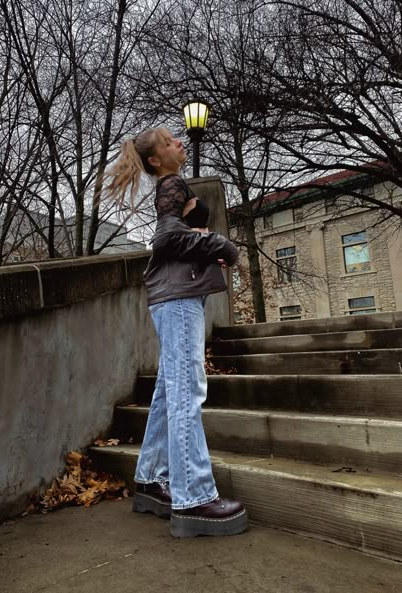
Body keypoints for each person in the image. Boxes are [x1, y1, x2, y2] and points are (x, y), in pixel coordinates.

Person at [105, 127, 247, 538]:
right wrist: (221, 244)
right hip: (178, 298)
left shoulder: (171, 185)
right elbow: (165, 239)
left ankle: (151, 479)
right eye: (169, 143)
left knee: (170, 390)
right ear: (155, 160)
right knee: (187, 392)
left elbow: (174, 236)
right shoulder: (173, 182)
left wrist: (201, 240)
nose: (180, 143)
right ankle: (194, 497)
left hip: (173, 297)